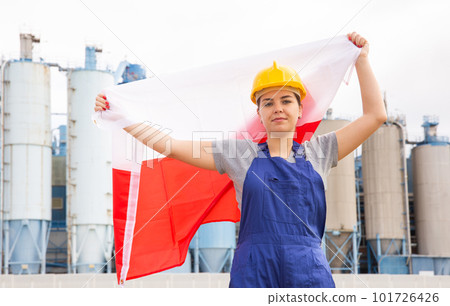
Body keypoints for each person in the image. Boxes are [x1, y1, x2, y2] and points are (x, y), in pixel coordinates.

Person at [94, 32, 386, 287]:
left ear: (300, 109)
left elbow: (376, 116)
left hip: (309, 271)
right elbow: (169, 144)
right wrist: (120, 116)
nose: (278, 108)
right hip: (253, 271)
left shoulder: (320, 152)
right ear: (259, 113)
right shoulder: (239, 155)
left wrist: (361, 59)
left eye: (286, 100)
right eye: (268, 102)